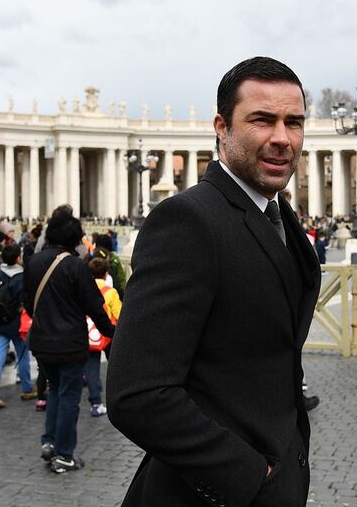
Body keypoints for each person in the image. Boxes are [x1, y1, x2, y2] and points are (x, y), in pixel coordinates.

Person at [107, 57, 321, 506]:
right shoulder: (186, 220)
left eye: (294, 122)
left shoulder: (282, 220)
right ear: (222, 127)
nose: (282, 138)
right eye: (262, 120)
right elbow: (136, 392)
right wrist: (248, 474)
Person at [24, 205, 114, 473]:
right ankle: (64, 453)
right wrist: (110, 332)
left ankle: (49, 442)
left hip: (41, 340)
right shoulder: (75, 266)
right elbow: (94, 306)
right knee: (69, 397)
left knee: (54, 390)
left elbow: (28, 303)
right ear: (74, 238)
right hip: (70, 343)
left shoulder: (34, 262)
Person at [0, 245, 34, 409]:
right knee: (22, 353)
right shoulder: (21, 276)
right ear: (18, 258)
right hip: (16, 321)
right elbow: (25, 299)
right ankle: (27, 388)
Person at [86, 257, 122, 417]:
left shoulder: (85, 289)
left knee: (91, 369)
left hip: (90, 333)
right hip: (108, 332)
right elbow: (119, 314)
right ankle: (118, 395)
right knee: (115, 365)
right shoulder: (110, 291)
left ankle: (96, 402)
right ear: (106, 273)